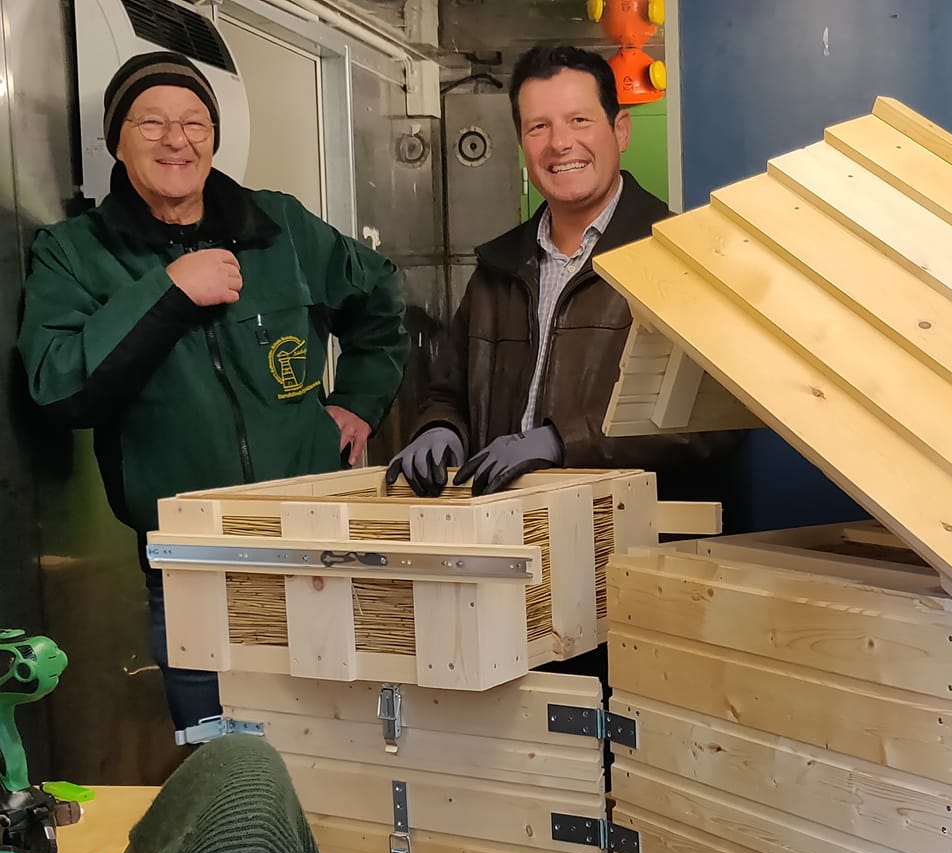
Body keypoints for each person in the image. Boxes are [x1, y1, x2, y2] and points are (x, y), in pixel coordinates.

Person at [18, 52, 408, 738]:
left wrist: (359, 402)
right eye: (152, 123)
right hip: (192, 567)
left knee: (339, 749)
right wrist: (170, 291)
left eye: (195, 122)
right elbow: (59, 387)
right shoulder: (75, 252)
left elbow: (380, 298)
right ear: (117, 140)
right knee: (222, 762)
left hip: (315, 546)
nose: (177, 140)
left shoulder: (278, 226)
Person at [387, 44, 736, 499]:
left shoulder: (680, 258)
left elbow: (715, 423)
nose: (559, 143)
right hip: (510, 525)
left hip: (632, 532)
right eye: (539, 127)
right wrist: (440, 428)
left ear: (621, 130)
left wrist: (563, 442)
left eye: (579, 120)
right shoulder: (497, 270)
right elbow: (448, 392)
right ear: (522, 143)